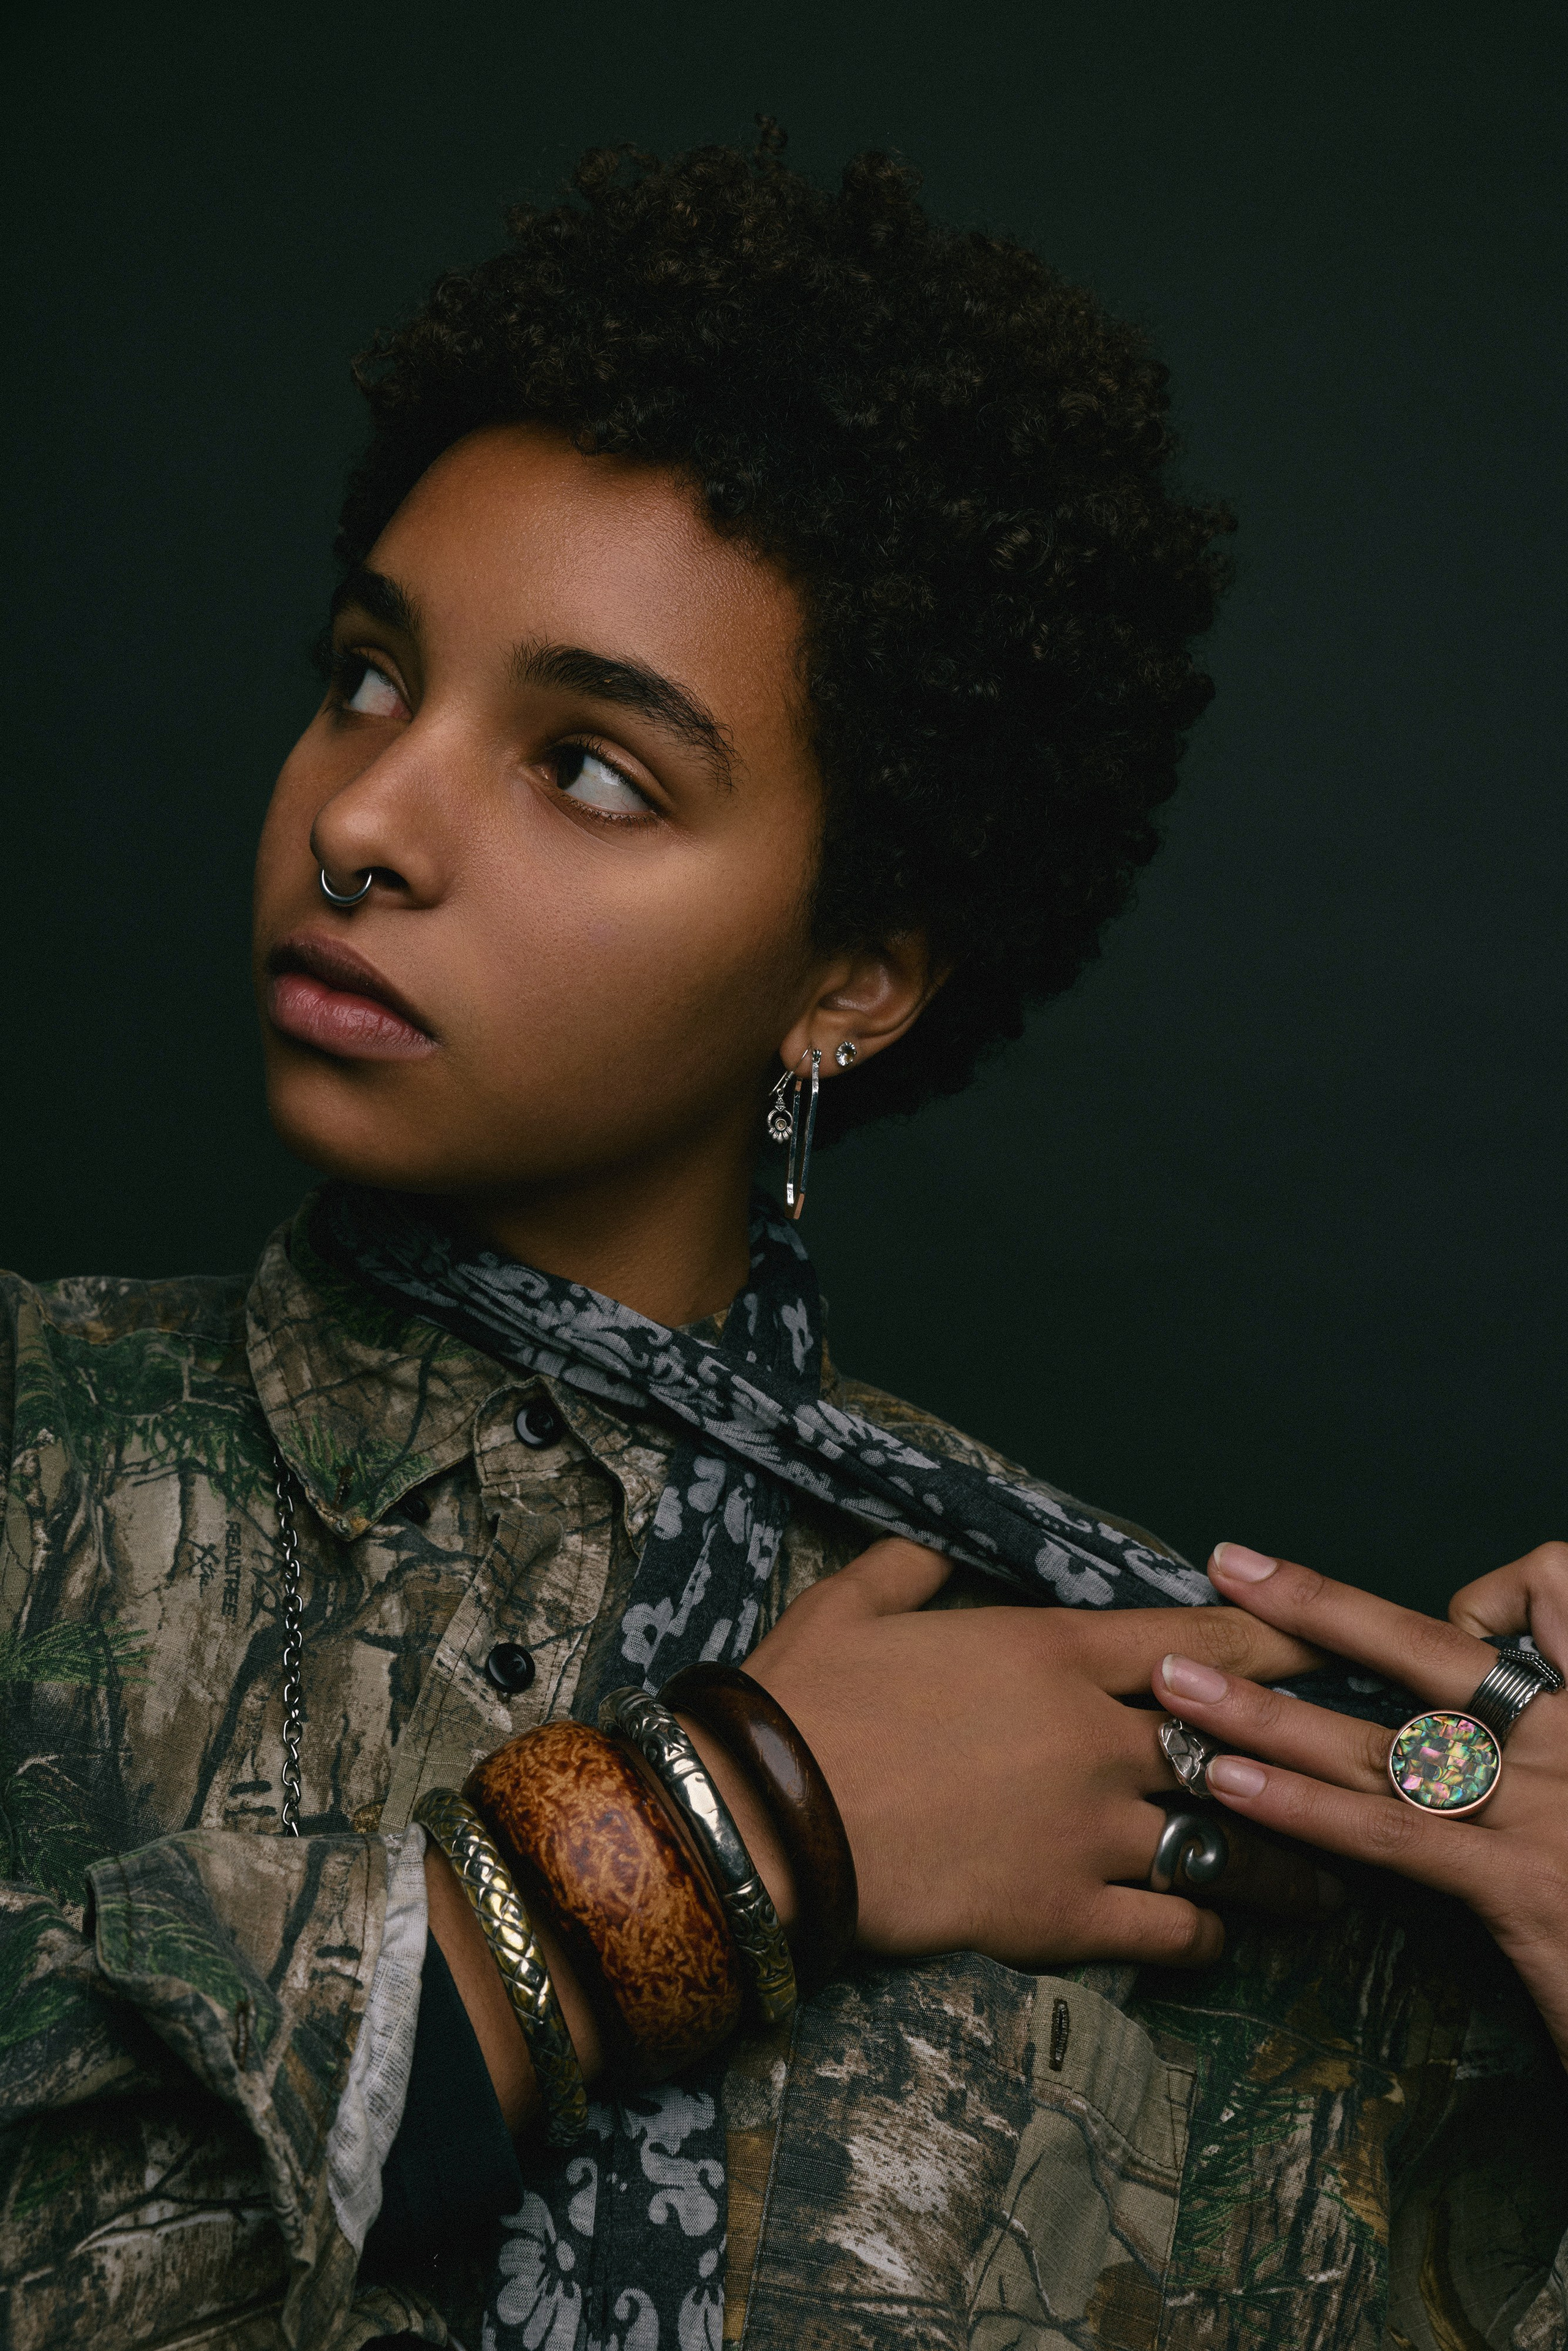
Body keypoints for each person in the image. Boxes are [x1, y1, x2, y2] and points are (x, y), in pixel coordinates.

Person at [2, 130, 1566, 2351]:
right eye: (366, 672)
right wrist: (728, 1831)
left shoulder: (1146, 1749)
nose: (359, 817)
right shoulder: (34, 1463)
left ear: (854, 977)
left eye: (591, 767)